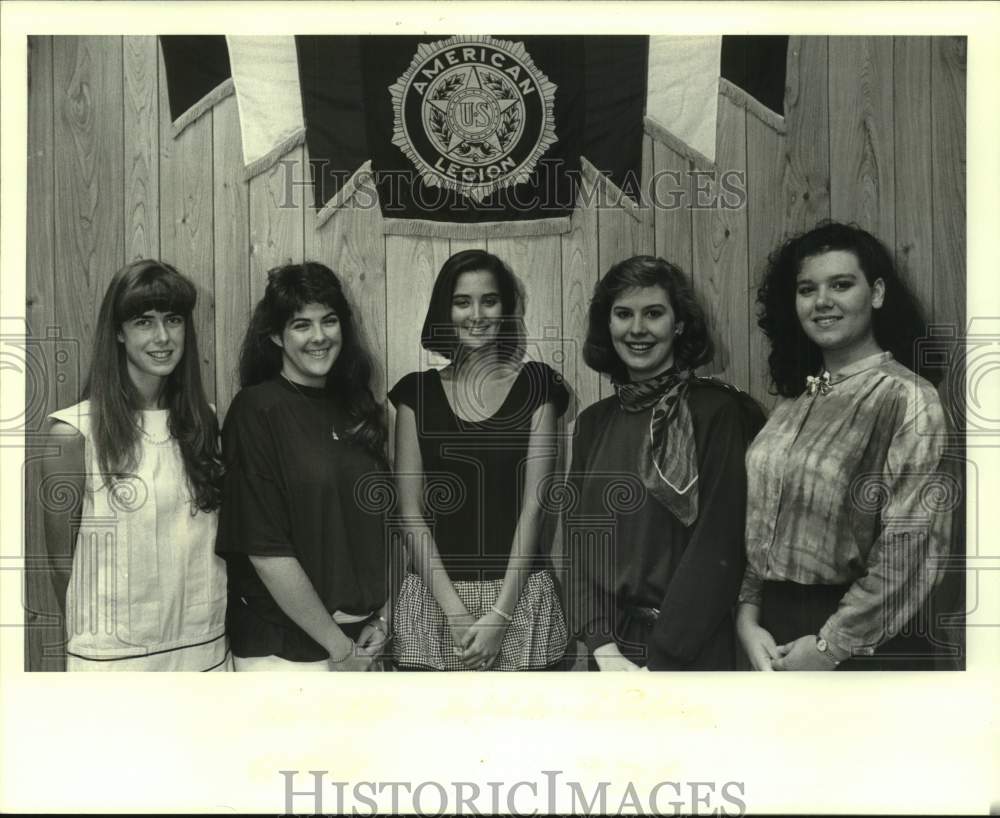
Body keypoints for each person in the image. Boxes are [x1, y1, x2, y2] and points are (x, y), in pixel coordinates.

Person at [737, 221, 954, 671]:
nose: (822, 302)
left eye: (841, 284)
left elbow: (909, 548)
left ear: (875, 293)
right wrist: (748, 618)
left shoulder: (908, 398)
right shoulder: (795, 402)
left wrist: (829, 647)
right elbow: (763, 522)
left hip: (864, 640)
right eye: (806, 289)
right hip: (774, 633)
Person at [566, 255, 764, 671]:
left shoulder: (718, 412)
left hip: (690, 650)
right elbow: (580, 543)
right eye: (623, 314)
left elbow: (720, 544)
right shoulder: (593, 423)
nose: (637, 329)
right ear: (608, 325)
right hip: (611, 653)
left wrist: (663, 659)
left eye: (653, 313)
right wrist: (602, 646)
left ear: (678, 324)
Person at [40, 260, 229, 671]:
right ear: (119, 333)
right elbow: (60, 564)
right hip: (113, 659)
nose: (163, 337)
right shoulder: (73, 433)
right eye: (144, 321)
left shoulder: (204, 421)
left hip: (203, 648)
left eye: (173, 320)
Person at [388, 249, 569, 671]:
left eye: (489, 300)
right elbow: (409, 513)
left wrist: (501, 616)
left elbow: (534, 506)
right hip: (436, 598)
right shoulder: (415, 393)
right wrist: (455, 613)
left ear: (506, 309)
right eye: (462, 301)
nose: (476, 314)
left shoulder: (537, 384)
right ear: (444, 310)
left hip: (518, 597)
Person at [216, 262, 391, 671]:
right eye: (301, 325)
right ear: (276, 335)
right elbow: (265, 552)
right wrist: (340, 649)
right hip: (286, 649)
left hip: (361, 640)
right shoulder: (256, 410)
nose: (319, 336)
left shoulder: (358, 409)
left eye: (329, 321)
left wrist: (384, 618)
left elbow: (386, 527)